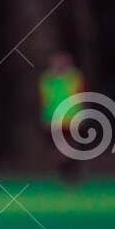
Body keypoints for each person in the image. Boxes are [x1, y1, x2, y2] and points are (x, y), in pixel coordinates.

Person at [39, 52, 87, 185]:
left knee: (72, 148)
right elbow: (45, 99)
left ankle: (73, 173)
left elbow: (81, 95)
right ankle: (63, 173)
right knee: (58, 150)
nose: (59, 64)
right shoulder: (47, 78)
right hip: (54, 120)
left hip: (72, 119)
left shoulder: (75, 76)